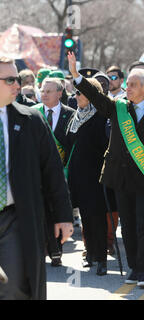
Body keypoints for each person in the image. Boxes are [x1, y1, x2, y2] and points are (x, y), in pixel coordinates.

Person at [68, 51, 144, 288]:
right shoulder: (117, 108)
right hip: (121, 177)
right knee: (127, 225)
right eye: (128, 85)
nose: (128, 88)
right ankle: (134, 267)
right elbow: (95, 95)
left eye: (134, 85)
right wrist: (76, 75)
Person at [0, 57, 73, 299]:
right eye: (10, 79)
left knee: (15, 287)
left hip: (14, 218)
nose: (17, 85)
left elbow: (52, 171)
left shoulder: (31, 120)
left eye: (18, 79)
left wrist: (63, 216)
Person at [66, 78, 109, 276]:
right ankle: (90, 253)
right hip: (78, 176)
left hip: (95, 176)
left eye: (79, 93)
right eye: (75, 93)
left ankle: (101, 258)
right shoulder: (75, 116)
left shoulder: (101, 117)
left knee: (97, 217)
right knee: (85, 217)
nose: (75, 97)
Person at [34, 77, 75, 267]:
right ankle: (47, 248)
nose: (44, 94)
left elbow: (74, 145)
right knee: (43, 211)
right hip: (37, 172)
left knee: (57, 209)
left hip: (63, 172)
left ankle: (56, 249)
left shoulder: (71, 115)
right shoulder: (32, 114)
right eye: (42, 90)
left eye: (49, 91)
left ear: (60, 93)